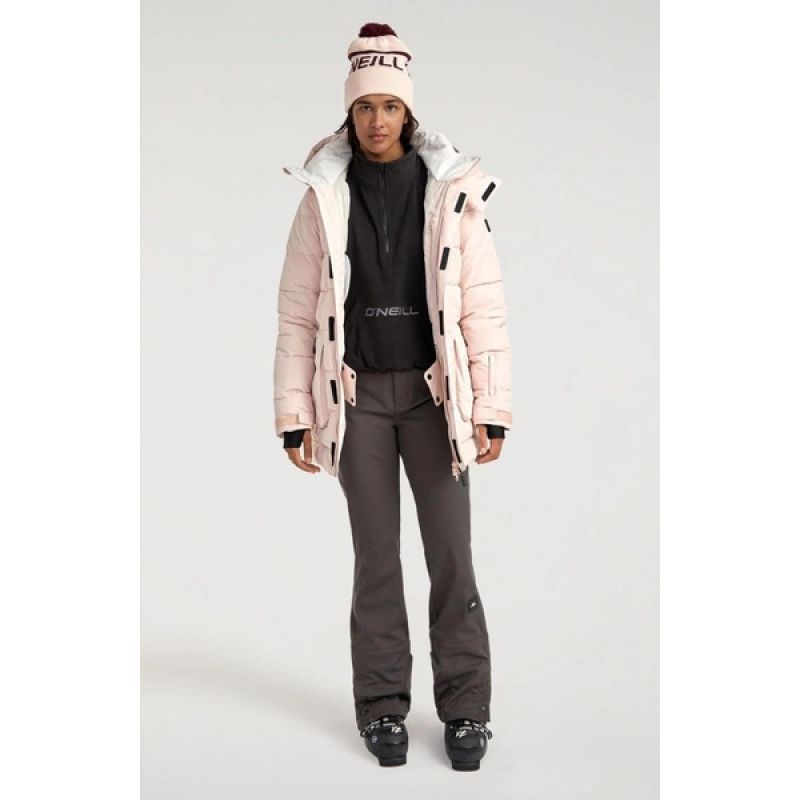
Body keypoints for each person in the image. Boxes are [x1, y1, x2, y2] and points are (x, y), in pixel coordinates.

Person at [273, 22, 512, 771]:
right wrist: (295, 415)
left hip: (437, 401)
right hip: (359, 402)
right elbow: (298, 310)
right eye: (365, 106)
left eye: (390, 106)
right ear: (349, 112)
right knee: (376, 560)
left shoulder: (451, 192)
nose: (378, 120)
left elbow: (482, 305)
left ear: (408, 112)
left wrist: (490, 408)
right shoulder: (323, 196)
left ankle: (467, 711)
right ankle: (381, 706)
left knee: (452, 558)